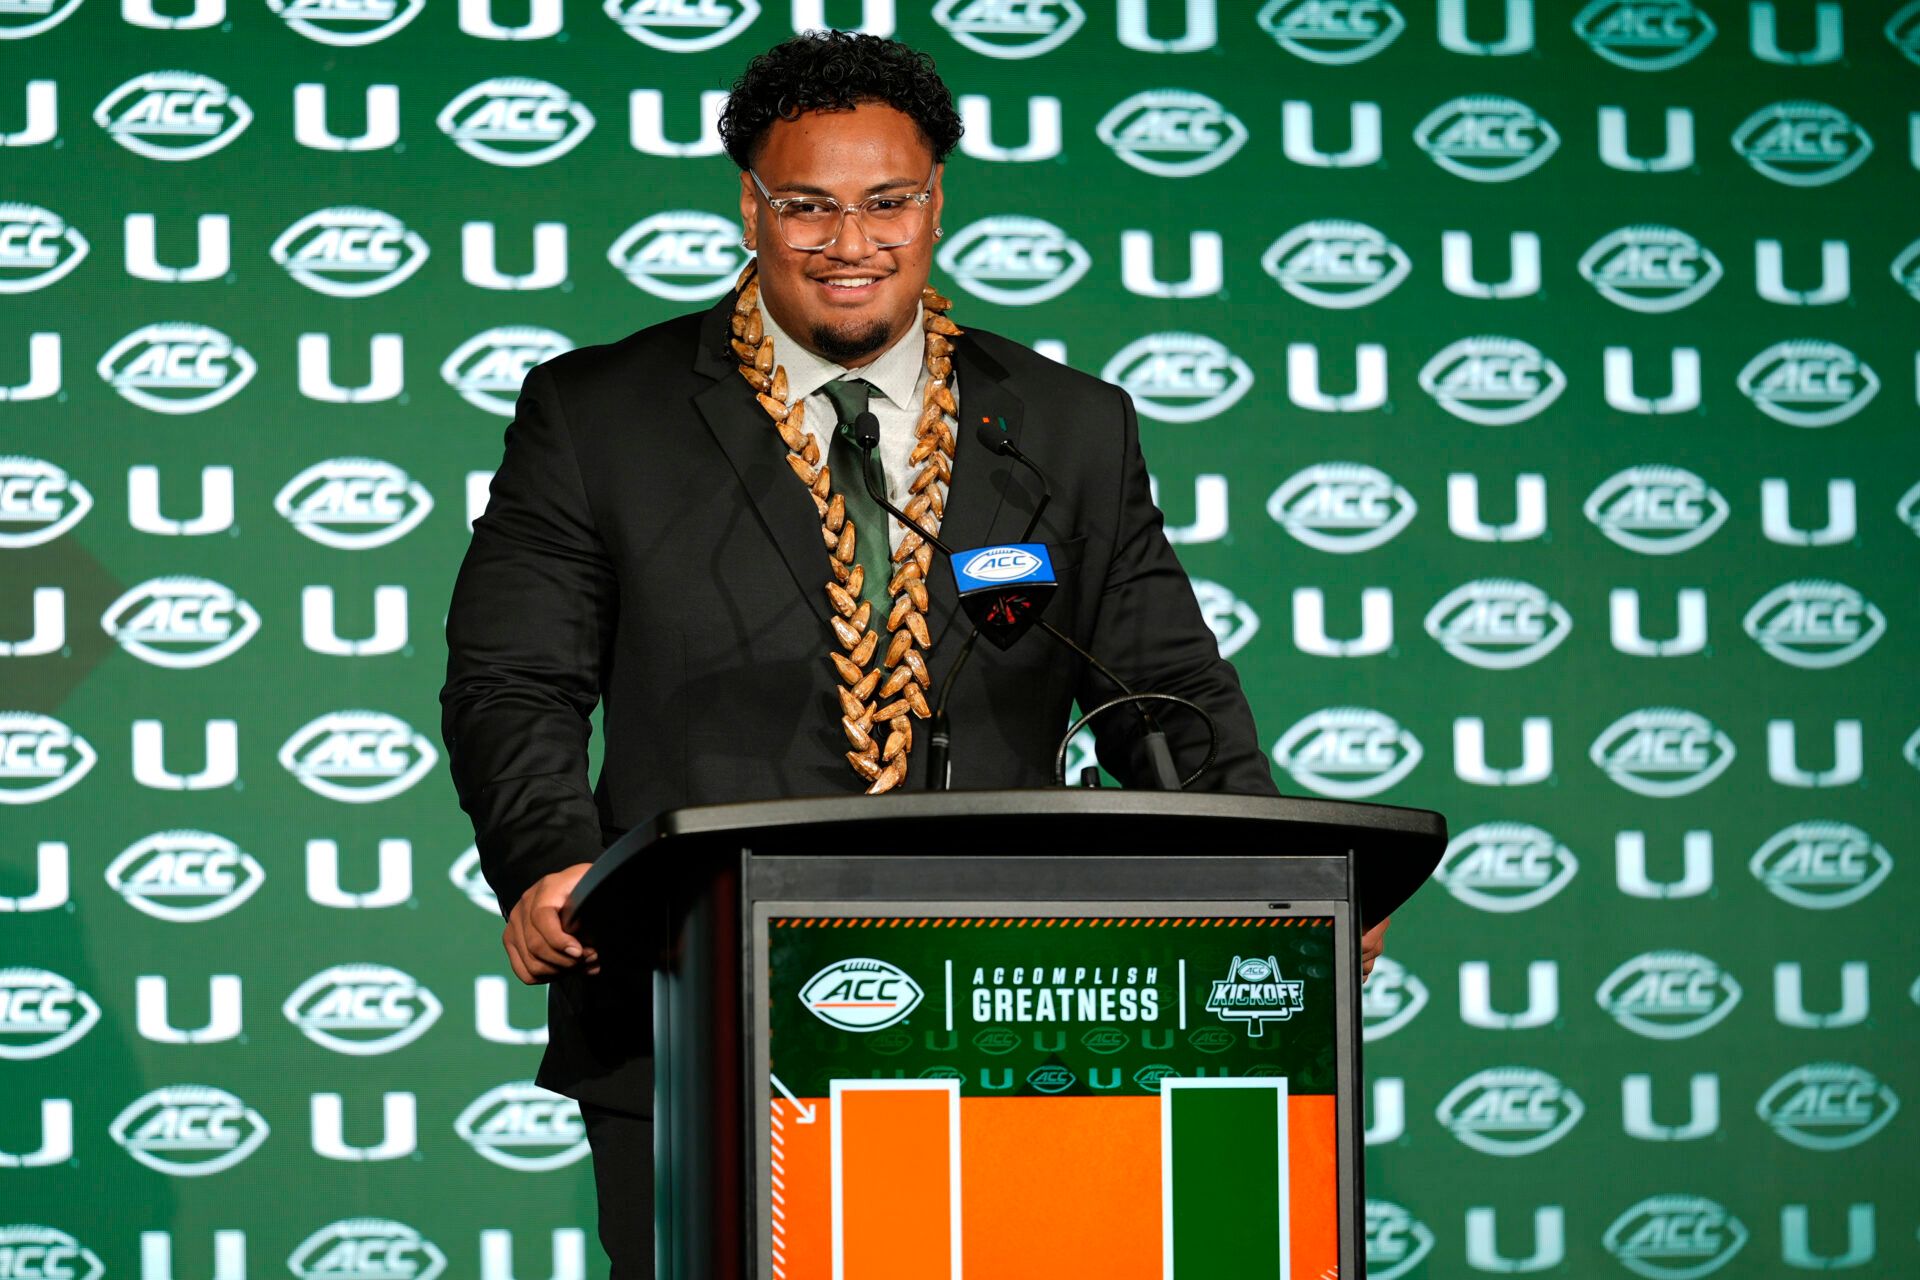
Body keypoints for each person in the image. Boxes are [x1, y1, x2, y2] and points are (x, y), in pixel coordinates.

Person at [440, 30, 1388, 1279]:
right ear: (751, 204)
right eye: (810, 207)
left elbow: (1164, 685)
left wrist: (1285, 880)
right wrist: (551, 857)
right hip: (695, 1001)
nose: (853, 243)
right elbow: (516, 676)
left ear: (935, 201)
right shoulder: (600, 412)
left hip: (1012, 1005)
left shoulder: (1065, 424)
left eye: (889, 203)